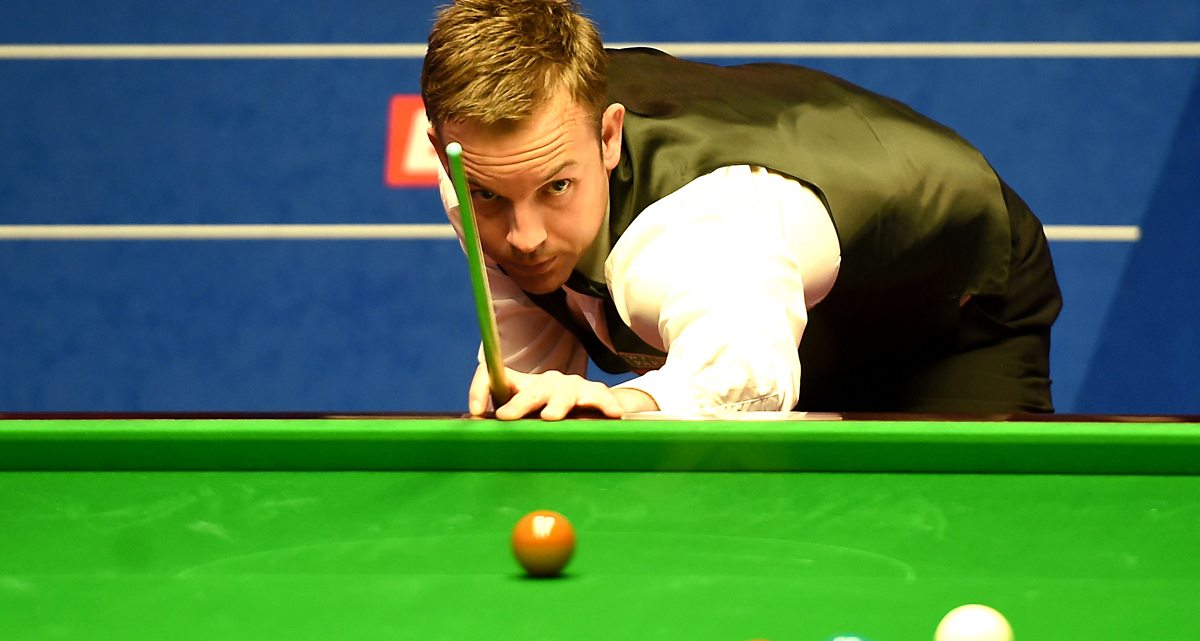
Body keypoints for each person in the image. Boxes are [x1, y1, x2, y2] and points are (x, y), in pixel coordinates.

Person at [420, 0, 1062, 420]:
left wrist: (624, 401)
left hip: (948, 298)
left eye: (557, 187)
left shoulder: (698, 229)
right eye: (489, 197)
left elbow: (744, 377)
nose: (524, 237)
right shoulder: (478, 165)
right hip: (792, 308)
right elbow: (531, 343)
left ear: (608, 137)